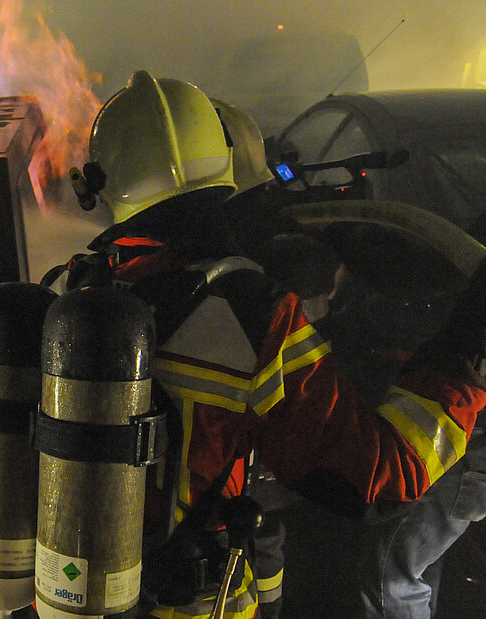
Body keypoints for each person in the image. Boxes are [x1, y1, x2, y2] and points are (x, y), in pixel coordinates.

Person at [58, 70, 486, 619]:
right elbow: (375, 477)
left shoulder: (77, 287)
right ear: (222, 168)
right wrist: (461, 359)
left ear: (101, 181)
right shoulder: (248, 310)